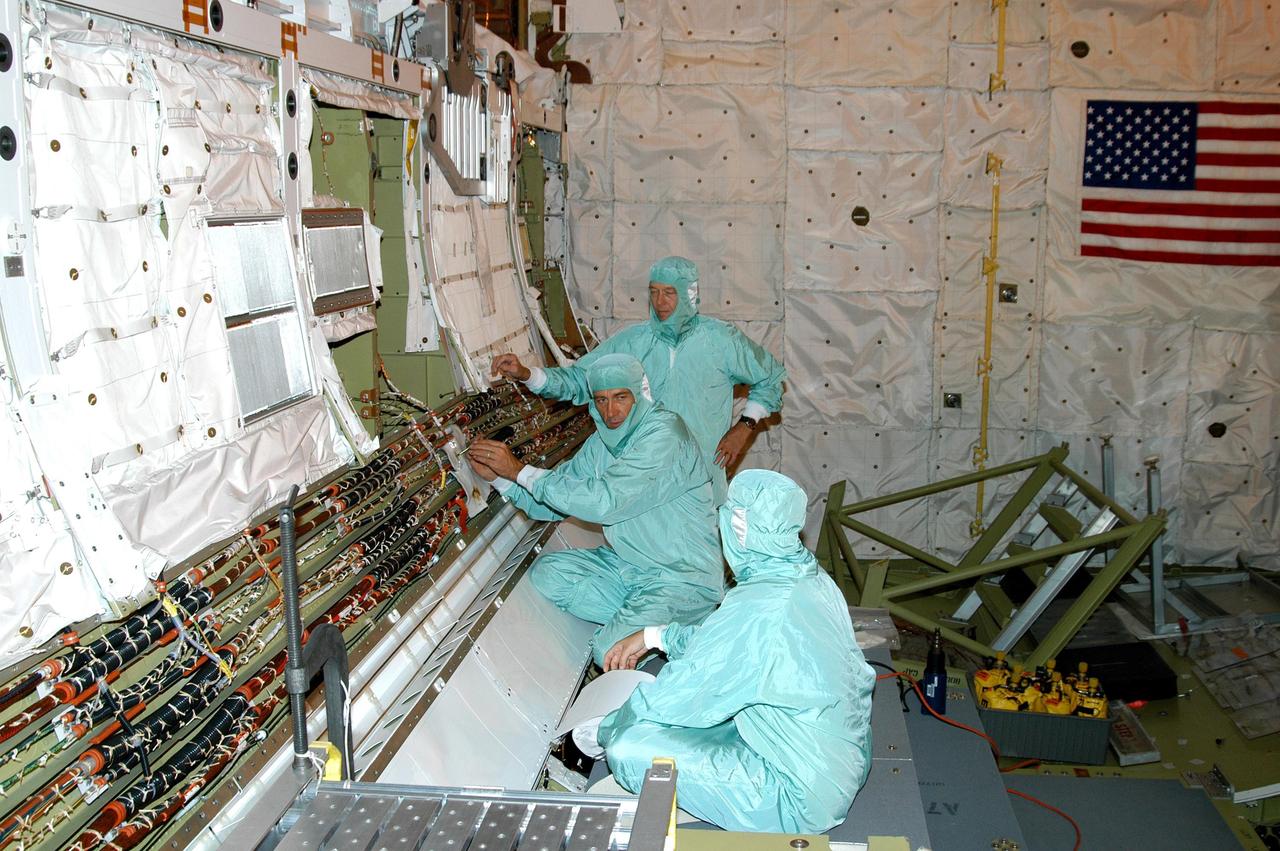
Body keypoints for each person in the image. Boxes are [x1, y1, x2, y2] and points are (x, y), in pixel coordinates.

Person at [593, 470, 875, 835]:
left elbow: (677, 697)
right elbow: (733, 648)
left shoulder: (758, 606)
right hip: (841, 758)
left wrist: (604, 727)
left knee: (629, 748)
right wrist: (656, 636)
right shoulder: (807, 578)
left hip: (796, 796)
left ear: (738, 529)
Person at [467, 353, 723, 668]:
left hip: (680, 576)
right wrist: (501, 480)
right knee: (549, 575)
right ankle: (649, 627)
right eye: (600, 400)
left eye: (620, 398)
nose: (611, 411)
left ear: (639, 395)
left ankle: (678, 638)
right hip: (631, 565)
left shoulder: (665, 434)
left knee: (609, 653)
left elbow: (604, 501)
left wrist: (519, 470)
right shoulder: (602, 443)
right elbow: (557, 494)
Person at [491, 256, 785, 501]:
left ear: (689, 294)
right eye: (654, 291)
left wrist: (744, 428)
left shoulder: (721, 341)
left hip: (701, 481)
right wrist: (528, 374)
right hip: (643, 478)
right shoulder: (633, 341)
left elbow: (770, 378)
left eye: (669, 292)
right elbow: (581, 380)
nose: (660, 301)